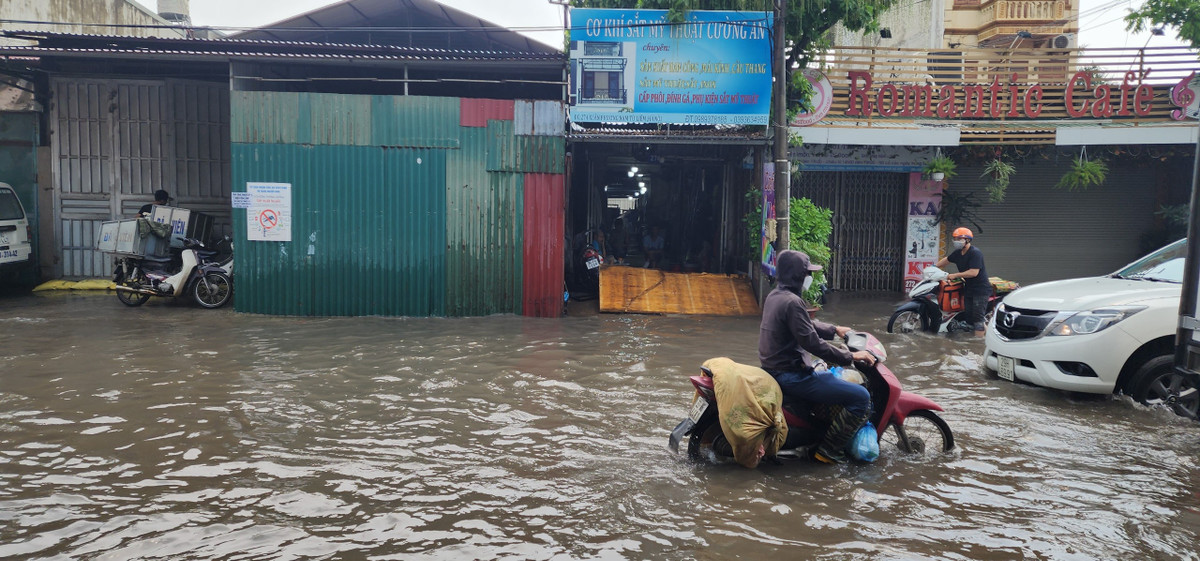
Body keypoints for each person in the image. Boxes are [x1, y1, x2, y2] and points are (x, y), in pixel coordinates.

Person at [758, 250, 877, 464]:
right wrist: (850, 356)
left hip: (774, 369)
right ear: (797, 276)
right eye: (807, 273)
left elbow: (807, 326)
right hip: (791, 375)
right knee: (861, 397)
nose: (809, 278)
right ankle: (829, 451)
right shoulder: (793, 302)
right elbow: (812, 343)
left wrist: (835, 329)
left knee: (826, 370)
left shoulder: (775, 296)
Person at [936, 227, 989, 337]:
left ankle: (977, 345)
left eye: (960, 239)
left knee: (978, 318)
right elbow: (947, 260)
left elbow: (974, 272)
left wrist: (955, 275)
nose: (956, 241)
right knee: (969, 317)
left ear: (968, 240)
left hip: (980, 289)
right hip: (968, 288)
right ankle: (972, 339)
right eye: (955, 239)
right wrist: (933, 267)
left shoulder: (975, 253)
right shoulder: (958, 253)